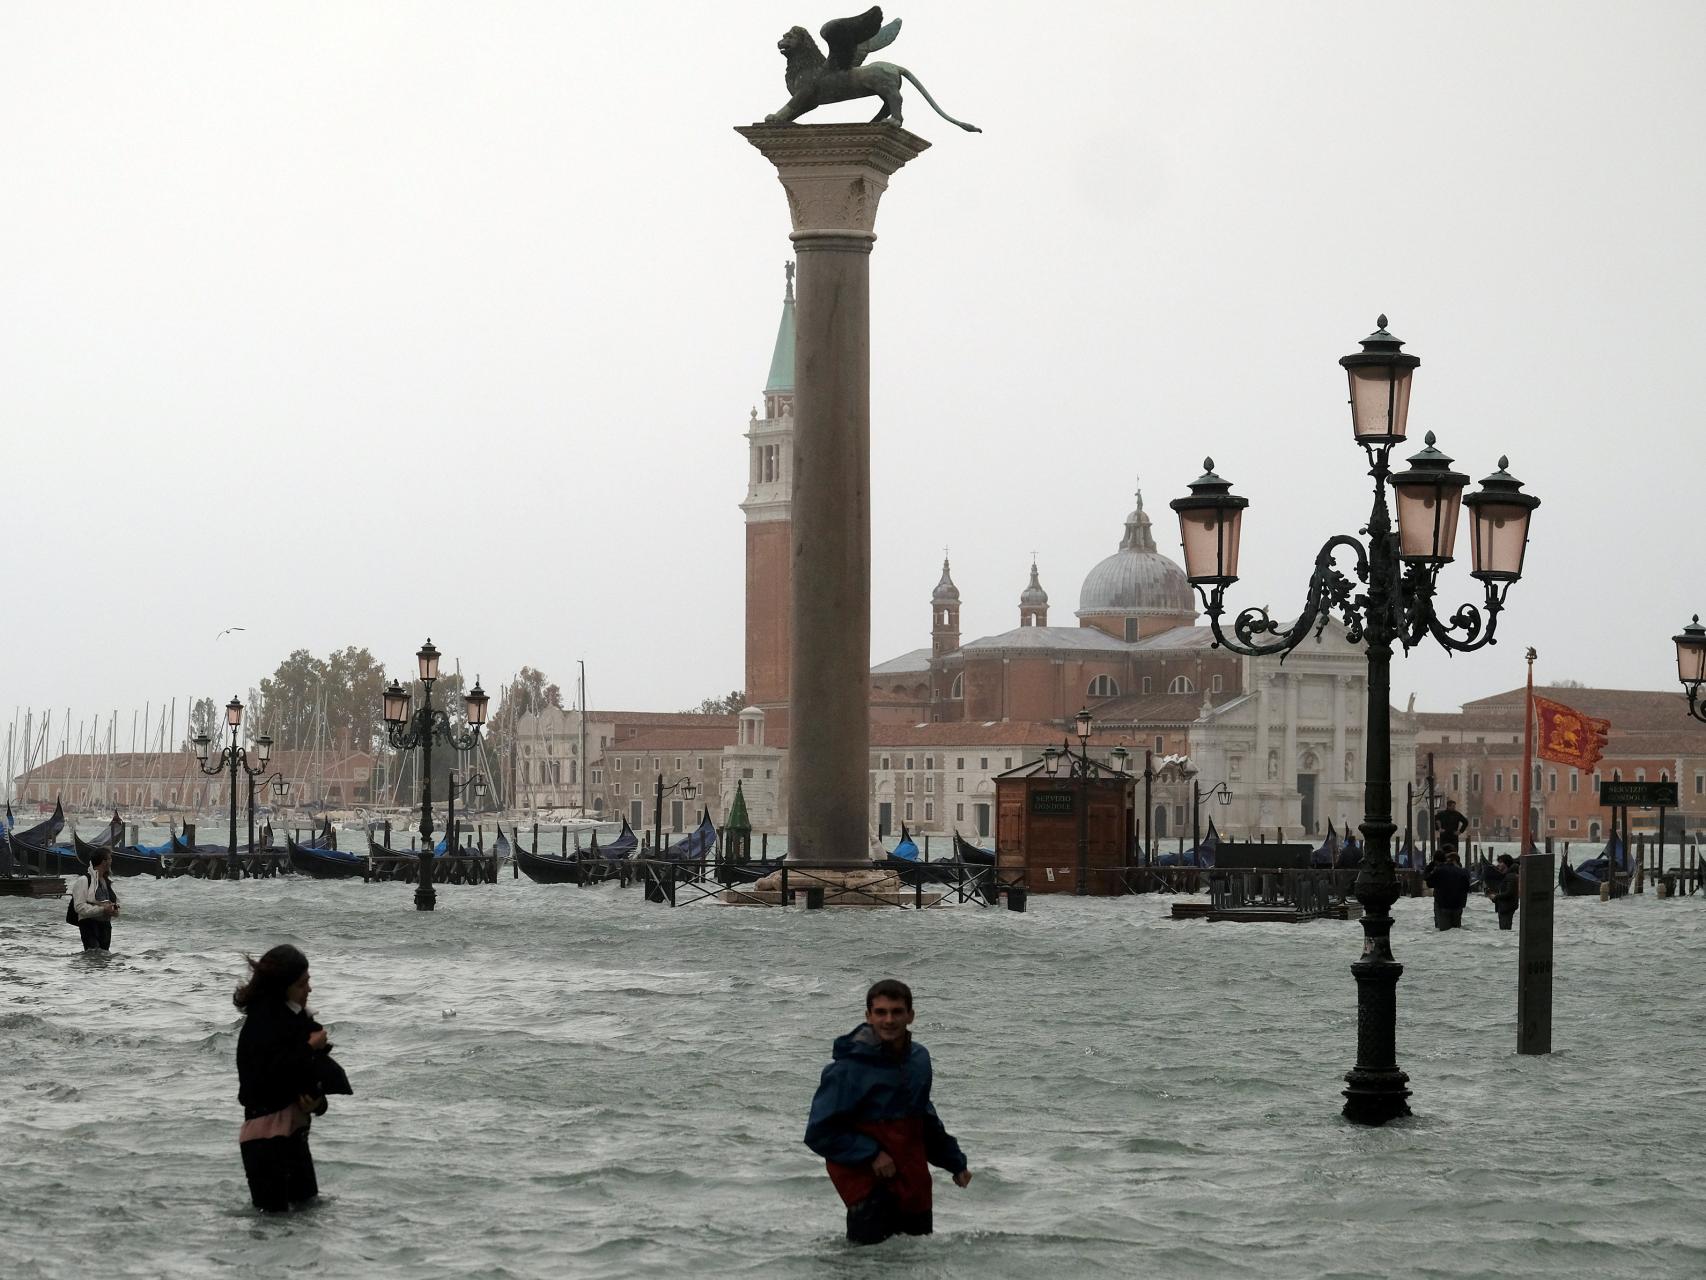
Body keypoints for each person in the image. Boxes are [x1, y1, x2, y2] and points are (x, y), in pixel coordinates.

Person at [805, 979, 971, 1245]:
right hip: (867, 1186)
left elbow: (923, 1117)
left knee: (915, 1263)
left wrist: (954, 1161)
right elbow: (819, 1132)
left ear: (911, 1016)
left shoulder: (919, 1059)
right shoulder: (846, 1069)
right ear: (868, 1016)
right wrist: (871, 1154)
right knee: (869, 1268)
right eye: (881, 1012)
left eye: (896, 1011)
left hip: (913, 1182)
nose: (889, 1019)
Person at [234, 945, 352, 1212]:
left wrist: (318, 1104)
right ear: (282, 987)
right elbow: (268, 1078)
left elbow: (306, 1079)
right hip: (265, 1142)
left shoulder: (296, 1019)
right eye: (302, 985)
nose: (308, 990)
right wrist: (310, 1048)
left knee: (308, 1212)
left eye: (308, 982)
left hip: (295, 1132)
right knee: (272, 1221)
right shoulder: (259, 1025)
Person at [70, 847, 119, 950]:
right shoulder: (84, 880)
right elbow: (79, 907)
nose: (111, 861)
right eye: (109, 858)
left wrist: (114, 910)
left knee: (103, 958)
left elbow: (111, 902)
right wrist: (102, 909)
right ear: (103, 861)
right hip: (89, 924)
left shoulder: (107, 882)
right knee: (93, 955)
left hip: (105, 925)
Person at [1424, 850, 1471, 930]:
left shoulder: (1439, 870)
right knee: (1456, 930)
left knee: (1444, 932)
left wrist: (1430, 866)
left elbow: (1427, 880)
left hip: (1443, 905)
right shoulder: (1463, 872)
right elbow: (1467, 888)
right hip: (1458, 906)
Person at [1486, 853, 1520, 930]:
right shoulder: (1507, 876)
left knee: (1505, 929)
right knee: (1504, 929)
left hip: (1506, 908)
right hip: (1504, 907)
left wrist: (1496, 896)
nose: (1498, 865)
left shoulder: (1510, 876)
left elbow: (1509, 893)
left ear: (1506, 864)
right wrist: (1493, 897)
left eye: (1501, 862)